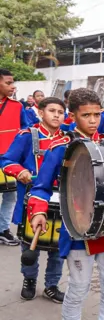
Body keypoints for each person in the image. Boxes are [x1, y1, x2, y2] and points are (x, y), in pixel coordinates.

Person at [28, 88, 104, 320]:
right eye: (87, 115)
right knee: (78, 288)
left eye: (97, 114)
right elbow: (40, 187)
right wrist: (37, 212)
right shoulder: (61, 148)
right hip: (78, 230)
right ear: (72, 117)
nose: (94, 120)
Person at [1, 97, 66, 302]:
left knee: (57, 249)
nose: (56, 115)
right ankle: (29, 279)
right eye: (52, 111)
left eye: (60, 112)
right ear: (40, 112)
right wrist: (20, 172)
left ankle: (51, 285)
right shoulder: (27, 135)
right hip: (31, 197)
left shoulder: (68, 139)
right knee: (30, 246)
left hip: (60, 200)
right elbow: (6, 160)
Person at [0, 69, 37, 246]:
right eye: (8, 83)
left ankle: (2, 229)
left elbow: (26, 129)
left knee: (10, 197)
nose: (12, 86)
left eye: (13, 83)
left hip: (10, 160)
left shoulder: (17, 106)